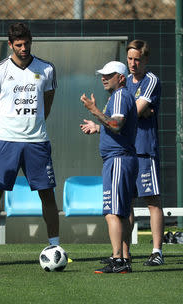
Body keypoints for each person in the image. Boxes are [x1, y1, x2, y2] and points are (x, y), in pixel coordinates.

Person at [0, 22, 62, 265]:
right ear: (10, 44)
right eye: (18, 44)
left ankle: (56, 248)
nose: (23, 48)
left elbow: (46, 106)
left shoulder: (47, 69)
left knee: (47, 195)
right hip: (6, 142)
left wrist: (31, 125)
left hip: (37, 142)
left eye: (27, 43)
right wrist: (13, 127)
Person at [80, 61, 137, 273]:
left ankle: (118, 260)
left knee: (112, 212)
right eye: (102, 74)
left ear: (121, 78)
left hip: (119, 160)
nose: (104, 78)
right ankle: (122, 258)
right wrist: (98, 128)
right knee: (120, 212)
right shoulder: (118, 97)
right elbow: (114, 126)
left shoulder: (121, 96)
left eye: (109, 75)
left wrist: (95, 111)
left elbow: (117, 125)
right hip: (120, 159)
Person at [126, 40, 164, 266]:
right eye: (130, 58)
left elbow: (133, 111)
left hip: (144, 150)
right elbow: (128, 110)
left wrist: (138, 109)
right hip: (125, 150)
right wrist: (138, 109)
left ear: (145, 60)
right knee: (126, 203)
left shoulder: (151, 81)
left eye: (137, 59)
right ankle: (123, 252)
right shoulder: (124, 81)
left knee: (152, 201)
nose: (132, 63)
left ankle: (157, 251)